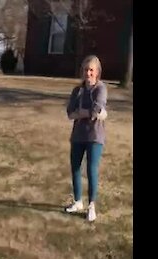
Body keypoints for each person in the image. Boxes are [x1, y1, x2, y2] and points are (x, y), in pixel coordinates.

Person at [64, 55, 108, 223]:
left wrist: (83, 113)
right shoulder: (77, 90)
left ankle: (91, 205)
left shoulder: (100, 88)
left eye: (91, 70)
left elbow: (98, 108)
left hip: (95, 136)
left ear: (97, 72)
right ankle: (77, 201)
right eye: (85, 70)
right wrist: (89, 114)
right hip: (78, 135)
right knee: (75, 167)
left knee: (91, 169)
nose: (88, 73)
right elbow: (70, 112)